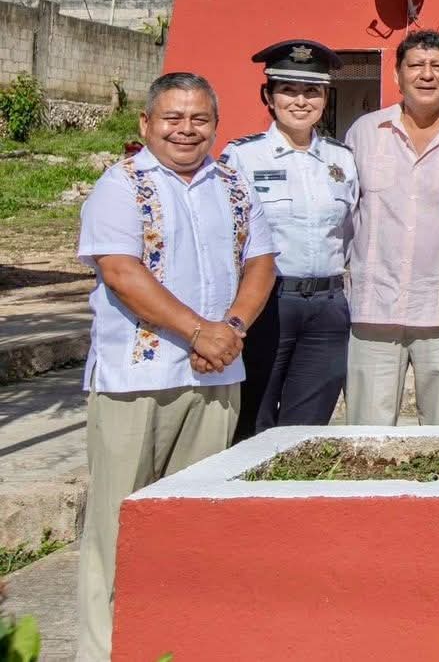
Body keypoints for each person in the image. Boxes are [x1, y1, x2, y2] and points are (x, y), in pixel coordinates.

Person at [75, 73, 277, 661]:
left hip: (215, 376)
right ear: (146, 124)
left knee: (194, 522)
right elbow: (122, 273)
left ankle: (181, 642)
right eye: (172, 118)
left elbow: (260, 262)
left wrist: (233, 329)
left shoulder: (233, 183)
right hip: (136, 381)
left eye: (199, 119)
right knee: (117, 524)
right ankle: (105, 650)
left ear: (215, 124)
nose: (186, 130)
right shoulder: (120, 185)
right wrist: (198, 331)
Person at [222, 40, 359, 441]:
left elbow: (349, 230)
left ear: (324, 97)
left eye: (311, 91)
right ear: (268, 96)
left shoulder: (342, 159)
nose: (300, 101)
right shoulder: (243, 157)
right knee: (252, 421)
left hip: (329, 308)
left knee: (307, 429)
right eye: (288, 89)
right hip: (268, 304)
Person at [344, 30, 439, 425]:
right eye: (416, 65)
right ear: (397, 74)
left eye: (438, 66)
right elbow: (347, 212)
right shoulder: (365, 133)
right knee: (366, 437)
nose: (427, 74)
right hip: (374, 308)